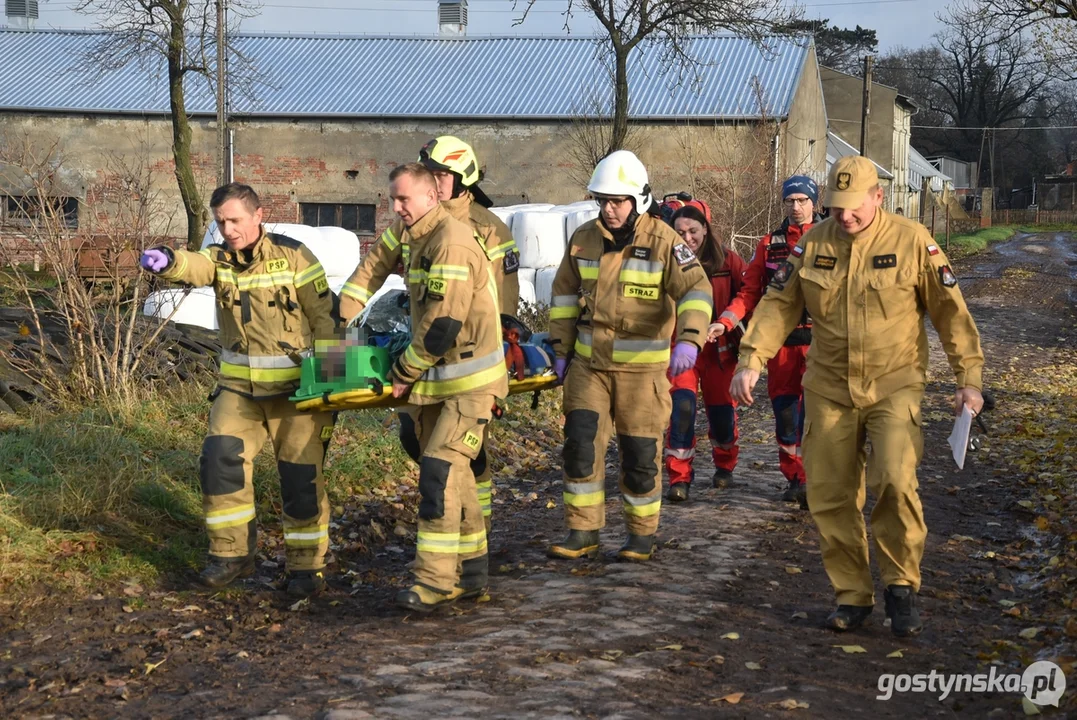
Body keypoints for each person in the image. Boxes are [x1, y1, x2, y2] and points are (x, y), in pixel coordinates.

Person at [730, 156, 985, 637]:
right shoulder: (813, 243)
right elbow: (779, 305)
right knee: (830, 495)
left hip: (896, 382)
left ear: (878, 198)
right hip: (828, 387)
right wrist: (751, 359)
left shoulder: (912, 241)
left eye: (852, 208)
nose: (843, 217)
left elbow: (952, 314)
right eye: (835, 208)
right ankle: (852, 594)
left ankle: (901, 586)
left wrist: (967, 379)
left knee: (894, 480)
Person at [140, 183, 337, 597]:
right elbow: (195, 266)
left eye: (235, 220)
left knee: (300, 480)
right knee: (219, 462)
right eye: (220, 221)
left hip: (295, 392)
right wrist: (169, 260)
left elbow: (327, 319)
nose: (228, 229)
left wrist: (332, 386)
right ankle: (231, 556)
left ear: (258, 215)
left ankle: (306, 569)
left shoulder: (295, 256)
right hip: (238, 391)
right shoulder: (219, 260)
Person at [339, 136, 518, 531]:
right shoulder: (411, 224)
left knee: (462, 456)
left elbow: (504, 295)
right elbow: (370, 271)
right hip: (425, 357)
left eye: (441, 176)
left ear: (462, 181)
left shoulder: (487, 230)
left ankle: (474, 530)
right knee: (417, 440)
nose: (434, 183)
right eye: (430, 175)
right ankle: (462, 533)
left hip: (468, 359)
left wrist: (505, 342)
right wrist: (339, 322)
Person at [546, 150, 713, 562]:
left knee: (640, 454)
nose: (608, 208)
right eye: (602, 200)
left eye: (617, 201)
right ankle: (582, 531)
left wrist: (690, 339)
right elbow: (565, 296)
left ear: (638, 200)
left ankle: (641, 535)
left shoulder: (664, 242)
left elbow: (697, 289)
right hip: (589, 368)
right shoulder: (583, 238)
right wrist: (559, 350)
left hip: (642, 373)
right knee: (580, 445)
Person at [384, 163, 508, 612]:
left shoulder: (450, 242)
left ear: (432, 196)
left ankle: (435, 581)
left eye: (404, 200)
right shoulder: (420, 239)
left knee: (438, 469)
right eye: (393, 200)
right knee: (456, 477)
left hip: (471, 384)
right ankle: (472, 574)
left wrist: (403, 372)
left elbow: (443, 325)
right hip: (443, 382)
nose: (397, 209)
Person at [713, 176, 824, 507]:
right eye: (790, 200)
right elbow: (749, 292)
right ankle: (796, 478)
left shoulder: (831, 239)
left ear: (814, 203)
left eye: (803, 200)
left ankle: (817, 479)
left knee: (820, 414)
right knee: (787, 414)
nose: (796, 206)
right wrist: (726, 321)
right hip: (782, 346)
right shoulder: (769, 243)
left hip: (822, 343)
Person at [663, 201, 748, 502]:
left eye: (693, 231)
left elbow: (747, 295)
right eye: (680, 231)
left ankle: (725, 465)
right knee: (682, 410)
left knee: (722, 415)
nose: (687, 238)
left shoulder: (728, 261)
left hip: (719, 352)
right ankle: (679, 475)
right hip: (681, 350)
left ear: (705, 230)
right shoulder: (665, 262)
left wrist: (726, 321)